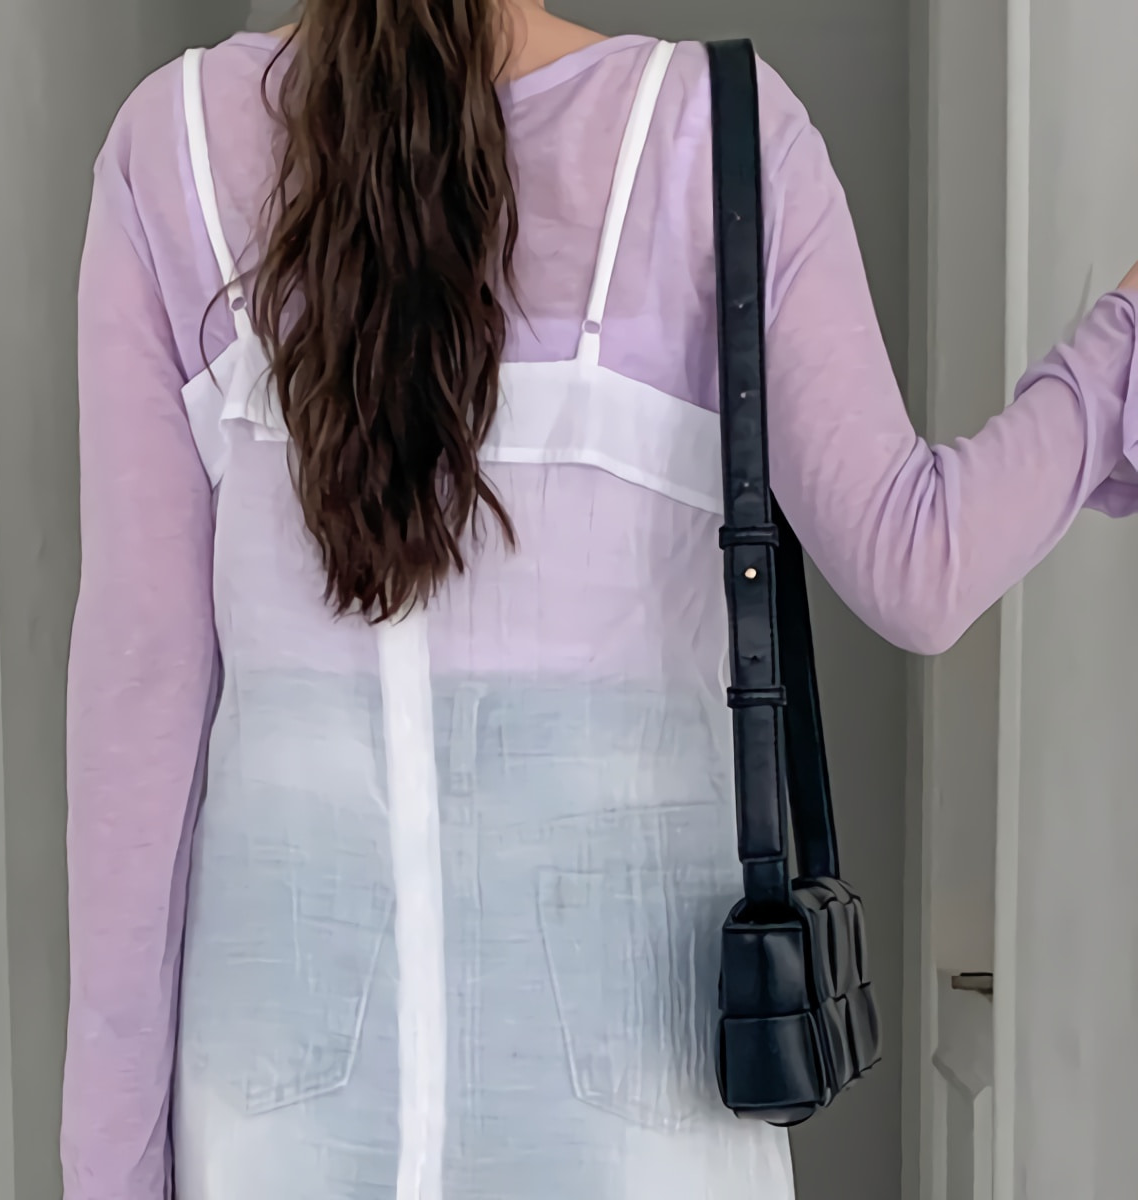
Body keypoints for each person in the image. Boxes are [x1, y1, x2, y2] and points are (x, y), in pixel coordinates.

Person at [61, 1, 1138, 1198]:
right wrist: (1118, 352)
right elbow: (917, 563)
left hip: (276, 1126)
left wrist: (106, 1173)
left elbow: (139, 704)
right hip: (633, 1134)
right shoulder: (712, 137)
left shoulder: (173, 149)